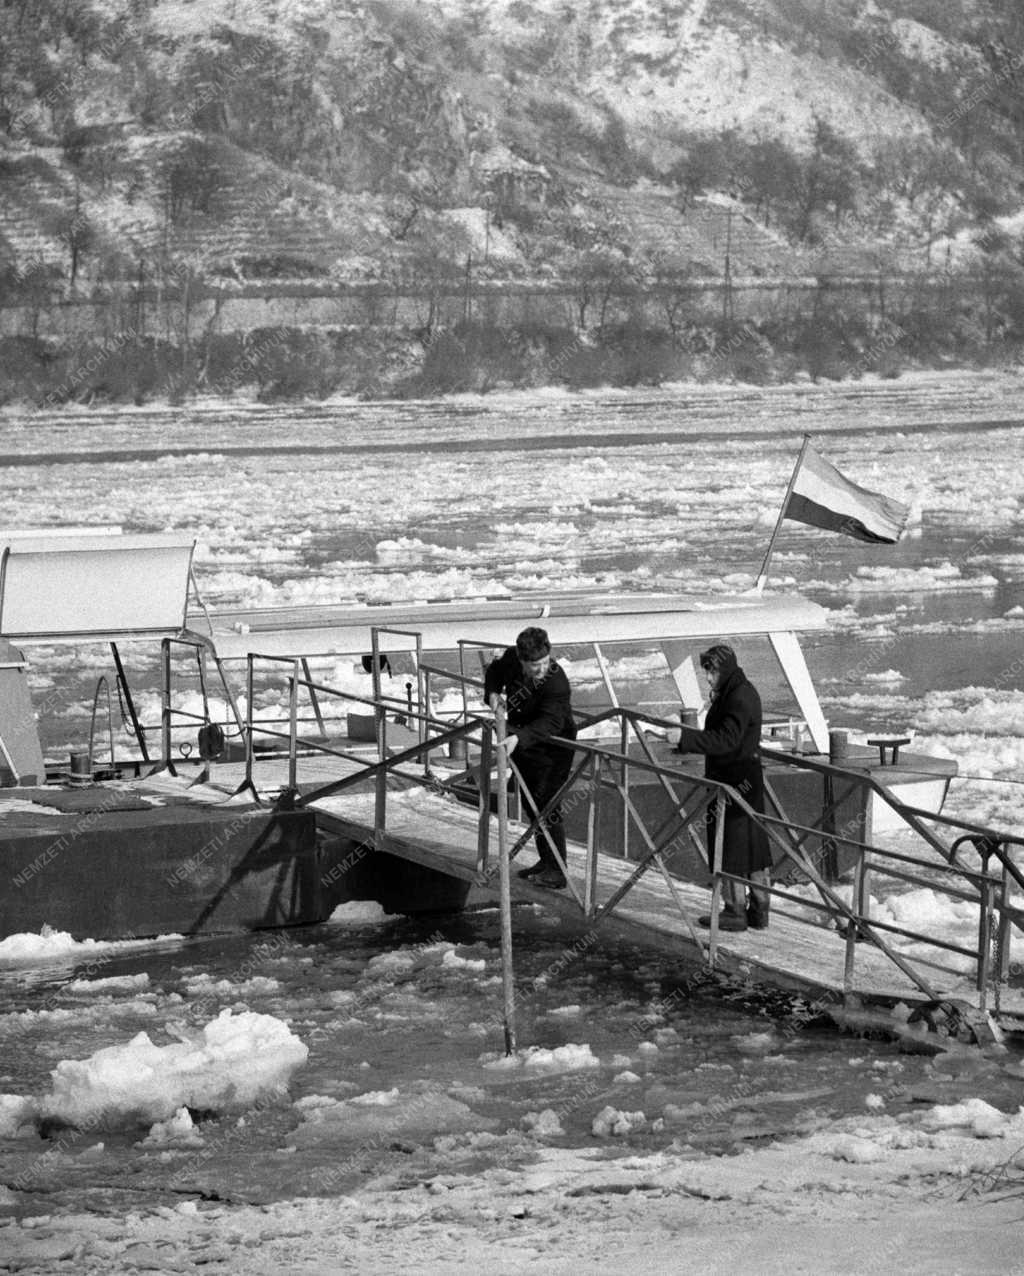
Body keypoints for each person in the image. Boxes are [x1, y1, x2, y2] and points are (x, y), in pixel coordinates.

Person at [674, 643, 772, 932]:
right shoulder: (739, 691)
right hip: (746, 780)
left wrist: (684, 739)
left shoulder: (738, 697)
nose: (708, 678)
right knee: (752, 848)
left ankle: (734, 911)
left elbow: (725, 740)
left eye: (712, 672)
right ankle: (760, 909)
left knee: (729, 848)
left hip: (732, 782)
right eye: (707, 671)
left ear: (725, 670)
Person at [483, 626, 577, 890]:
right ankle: (546, 860)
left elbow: (552, 721)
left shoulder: (557, 681)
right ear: (522, 660)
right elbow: (494, 672)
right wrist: (492, 693)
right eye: (535, 665)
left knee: (548, 804)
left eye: (545, 663)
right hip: (522, 740)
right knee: (530, 802)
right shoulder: (512, 658)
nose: (541, 669)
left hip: (554, 746)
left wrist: (519, 739)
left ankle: (557, 871)